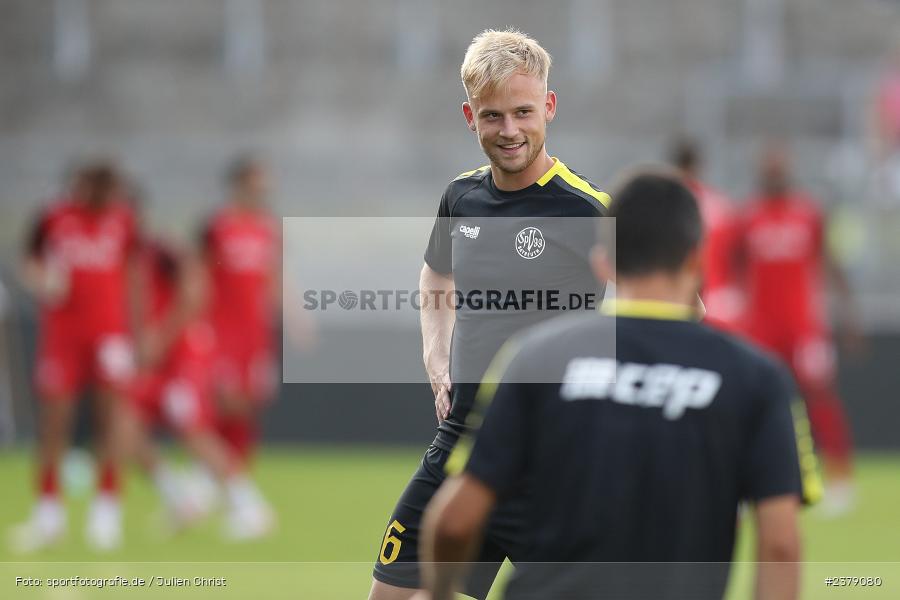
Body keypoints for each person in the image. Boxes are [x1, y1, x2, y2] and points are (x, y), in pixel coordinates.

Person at [416, 170, 821, 600]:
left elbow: (457, 520)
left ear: (604, 263)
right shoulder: (757, 379)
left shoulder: (532, 358)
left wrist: (438, 592)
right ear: (696, 260)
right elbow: (780, 545)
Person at [369, 29, 609, 600]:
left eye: (523, 112)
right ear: (468, 115)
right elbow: (437, 273)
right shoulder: (461, 198)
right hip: (463, 443)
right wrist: (435, 353)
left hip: (553, 460)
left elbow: (674, 309)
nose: (509, 131)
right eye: (492, 115)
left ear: (549, 106)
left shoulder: (587, 210)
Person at [11, 162, 139, 552]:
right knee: (54, 425)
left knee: (109, 422)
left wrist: (134, 330)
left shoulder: (124, 221)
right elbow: (28, 260)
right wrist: (40, 280)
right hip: (63, 337)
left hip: (109, 336)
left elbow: (134, 274)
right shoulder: (53, 218)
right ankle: (48, 516)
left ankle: (107, 513)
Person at [124, 231, 274, 539]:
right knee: (124, 429)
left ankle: (251, 506)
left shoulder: (162, 250)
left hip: (183, 357)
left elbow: (195, 290)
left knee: (194, 431)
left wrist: (160, 338)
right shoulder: (123, 258)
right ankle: (180, 499)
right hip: (158, 362)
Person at [738, 143, 862, 515]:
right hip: (760, 325)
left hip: (803, 326)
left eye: (780, 167)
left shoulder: (808, 213)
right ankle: (744, 484)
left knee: (820, 397)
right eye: (769, 168)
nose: (774, 174)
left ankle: (840, 479)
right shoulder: (747, 217)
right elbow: (730, 268)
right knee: (748, 400)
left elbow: (829, 262)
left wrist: (849, 313)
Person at [202, 156, 280, 466]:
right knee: (224, 400)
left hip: (256, 332)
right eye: (257, 183)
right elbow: (199, 277)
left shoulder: (267, 228)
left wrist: (296, 317)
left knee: (251, 403)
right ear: (239, 185)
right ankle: (216, 471)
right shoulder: (217, 226)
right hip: (223, 329)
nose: (263, 190)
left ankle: (235, 473)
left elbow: (274, 277)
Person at [669, 136, 743, 330]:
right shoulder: (720, 205)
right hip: (718, 302)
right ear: (698, 167)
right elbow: (737, 255)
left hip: (676, 300)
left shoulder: (663, 205)